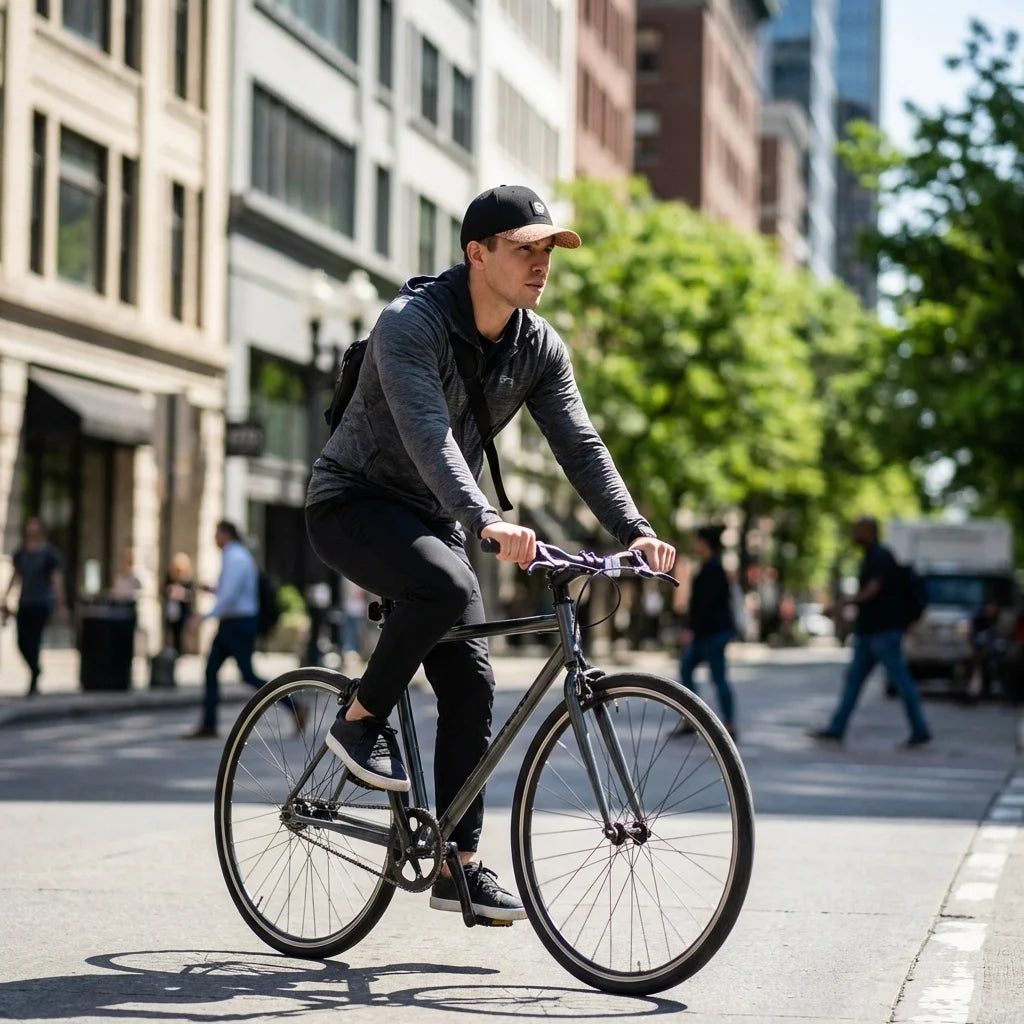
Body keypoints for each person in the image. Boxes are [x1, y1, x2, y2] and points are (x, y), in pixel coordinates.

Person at [305, 184, 676, 923]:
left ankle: (457, 866)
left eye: (548, 251)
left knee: (472, 683)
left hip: (439, 516)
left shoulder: (536, 343)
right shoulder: (410, 325)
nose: (542, 264)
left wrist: (633, 527)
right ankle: (359, 722)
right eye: (524, 249)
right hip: (353, 501)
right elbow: (427, 435)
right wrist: (483, 518)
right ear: (478, 253)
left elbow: (579, 443)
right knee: (442, 586)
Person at [808, 516, 932, 748]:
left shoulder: (880, 557)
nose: (854, 536)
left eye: (858, 531)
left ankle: (920, 729)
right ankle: (837, 727)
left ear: (870, 532)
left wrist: (846, 602)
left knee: (901, 683)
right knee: (854, 682)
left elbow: (872, 590)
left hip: (883, 633)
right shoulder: (871, 557)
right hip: (869, 633)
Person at [183, 521, 269, 739]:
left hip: (238, 624)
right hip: (231, 623)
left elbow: (230, 597)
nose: (214, 538)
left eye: (216, 533)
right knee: (211, 670)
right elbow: (230, 592)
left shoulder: (235, 557)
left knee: (248, 676)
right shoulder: (236, 556)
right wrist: (211, 589)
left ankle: (293, 704)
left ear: (225, 534)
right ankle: (209, 724)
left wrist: (202, 617)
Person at [674, 524, 738, 739]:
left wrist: (691, 630)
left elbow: (707, 606)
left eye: (696, 540)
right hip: (708, 633)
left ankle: (726, 723)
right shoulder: (710, 566)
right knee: (688, 669)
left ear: (704, 543)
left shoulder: (713, 568)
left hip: (712, 633)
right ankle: (692, 718)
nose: (693, 544)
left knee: (717, 677)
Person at [2, 516, 66, 696]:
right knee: (21, 640)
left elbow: (57, 580)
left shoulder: (49, 554)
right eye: (30, 525)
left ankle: (33, 681)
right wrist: (6, 597)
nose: (32, 529)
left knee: (35, 640)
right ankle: (35, 669)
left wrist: (61, 604)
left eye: (35, 525)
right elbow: (15, 577)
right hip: (25, 601)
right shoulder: (21, 553)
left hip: (42, 602)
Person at [162, 552, 196, 654]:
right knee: (169, 633)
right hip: (171, 610)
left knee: (180, 634)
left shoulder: (187, 581)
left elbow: (191, 596)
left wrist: (182, 593)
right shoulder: (169, 578)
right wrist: (169, 591)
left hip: (182, 611)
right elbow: (163, 590)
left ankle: (179, 653)